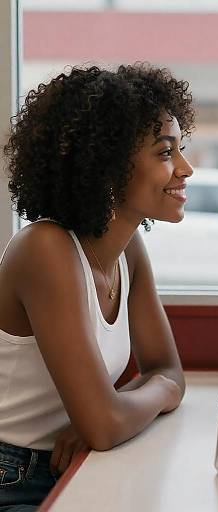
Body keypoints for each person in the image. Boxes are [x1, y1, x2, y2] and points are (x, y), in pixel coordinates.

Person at [0, 63, 194, 510]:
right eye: (165, 153)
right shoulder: (45, 250)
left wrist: (119, 403)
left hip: (72, 465)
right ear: (107, 164)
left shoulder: (128, 249)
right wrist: (133, 401)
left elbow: (168, 371)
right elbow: (107, 425)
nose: (185, 169)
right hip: (14, 479)